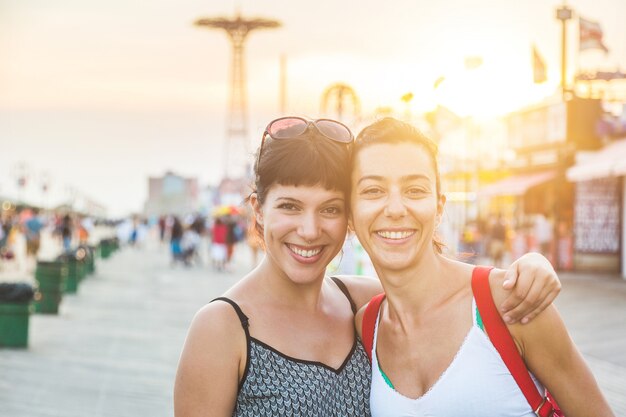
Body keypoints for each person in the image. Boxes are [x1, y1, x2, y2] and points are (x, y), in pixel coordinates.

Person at [174, 117, 562, 417]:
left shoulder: (364, 306)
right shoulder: (223, 328)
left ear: (350, 217)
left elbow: (440, 290)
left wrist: (530, 266)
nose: (309, 231)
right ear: (258, 210)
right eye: (289, 206)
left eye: (330, 209)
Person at [350, 118, 614, 417]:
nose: (396, 209)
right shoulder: (367, 327)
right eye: (373, 190)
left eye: (414, 190)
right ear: (350, 213)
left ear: (439, 208)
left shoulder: (511, 302)